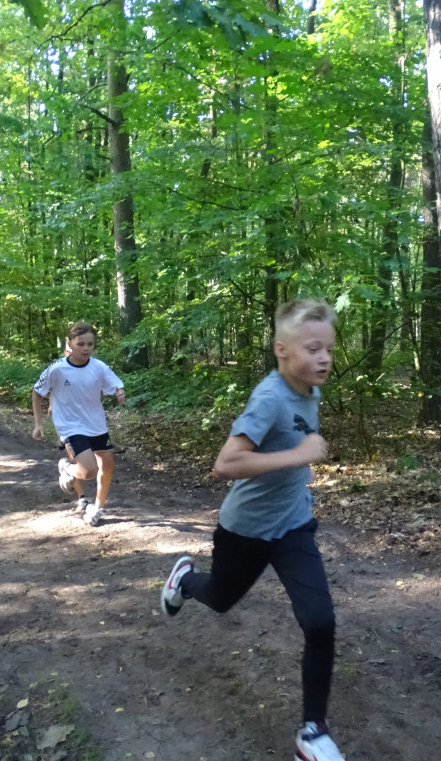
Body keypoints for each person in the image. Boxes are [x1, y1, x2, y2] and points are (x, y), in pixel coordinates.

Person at [159, 299, 344, 761]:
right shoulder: (269, 397)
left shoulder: (308, 389)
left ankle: (312, 731)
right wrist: (300, 455)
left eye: (328, 349)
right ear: (282, 350)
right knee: (220, 599)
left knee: (320, 620)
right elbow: (227, 464)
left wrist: (298, 470)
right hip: (244, 530)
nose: (324, 358)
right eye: (313, 348)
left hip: (294, 527)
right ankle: (184, 580)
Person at [31, 322, 126, 527]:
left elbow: (115, 383)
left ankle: (97, 509)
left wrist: (119, 391)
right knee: (90, 470)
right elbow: (37, 392)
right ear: (70, 343)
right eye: (80, 344)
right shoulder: (57, 369)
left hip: (96, 423)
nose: (86, 348)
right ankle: (67, 470)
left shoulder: (98, 367)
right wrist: (38, 423)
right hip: (70, 426)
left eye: (90, 344)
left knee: (108, 465)